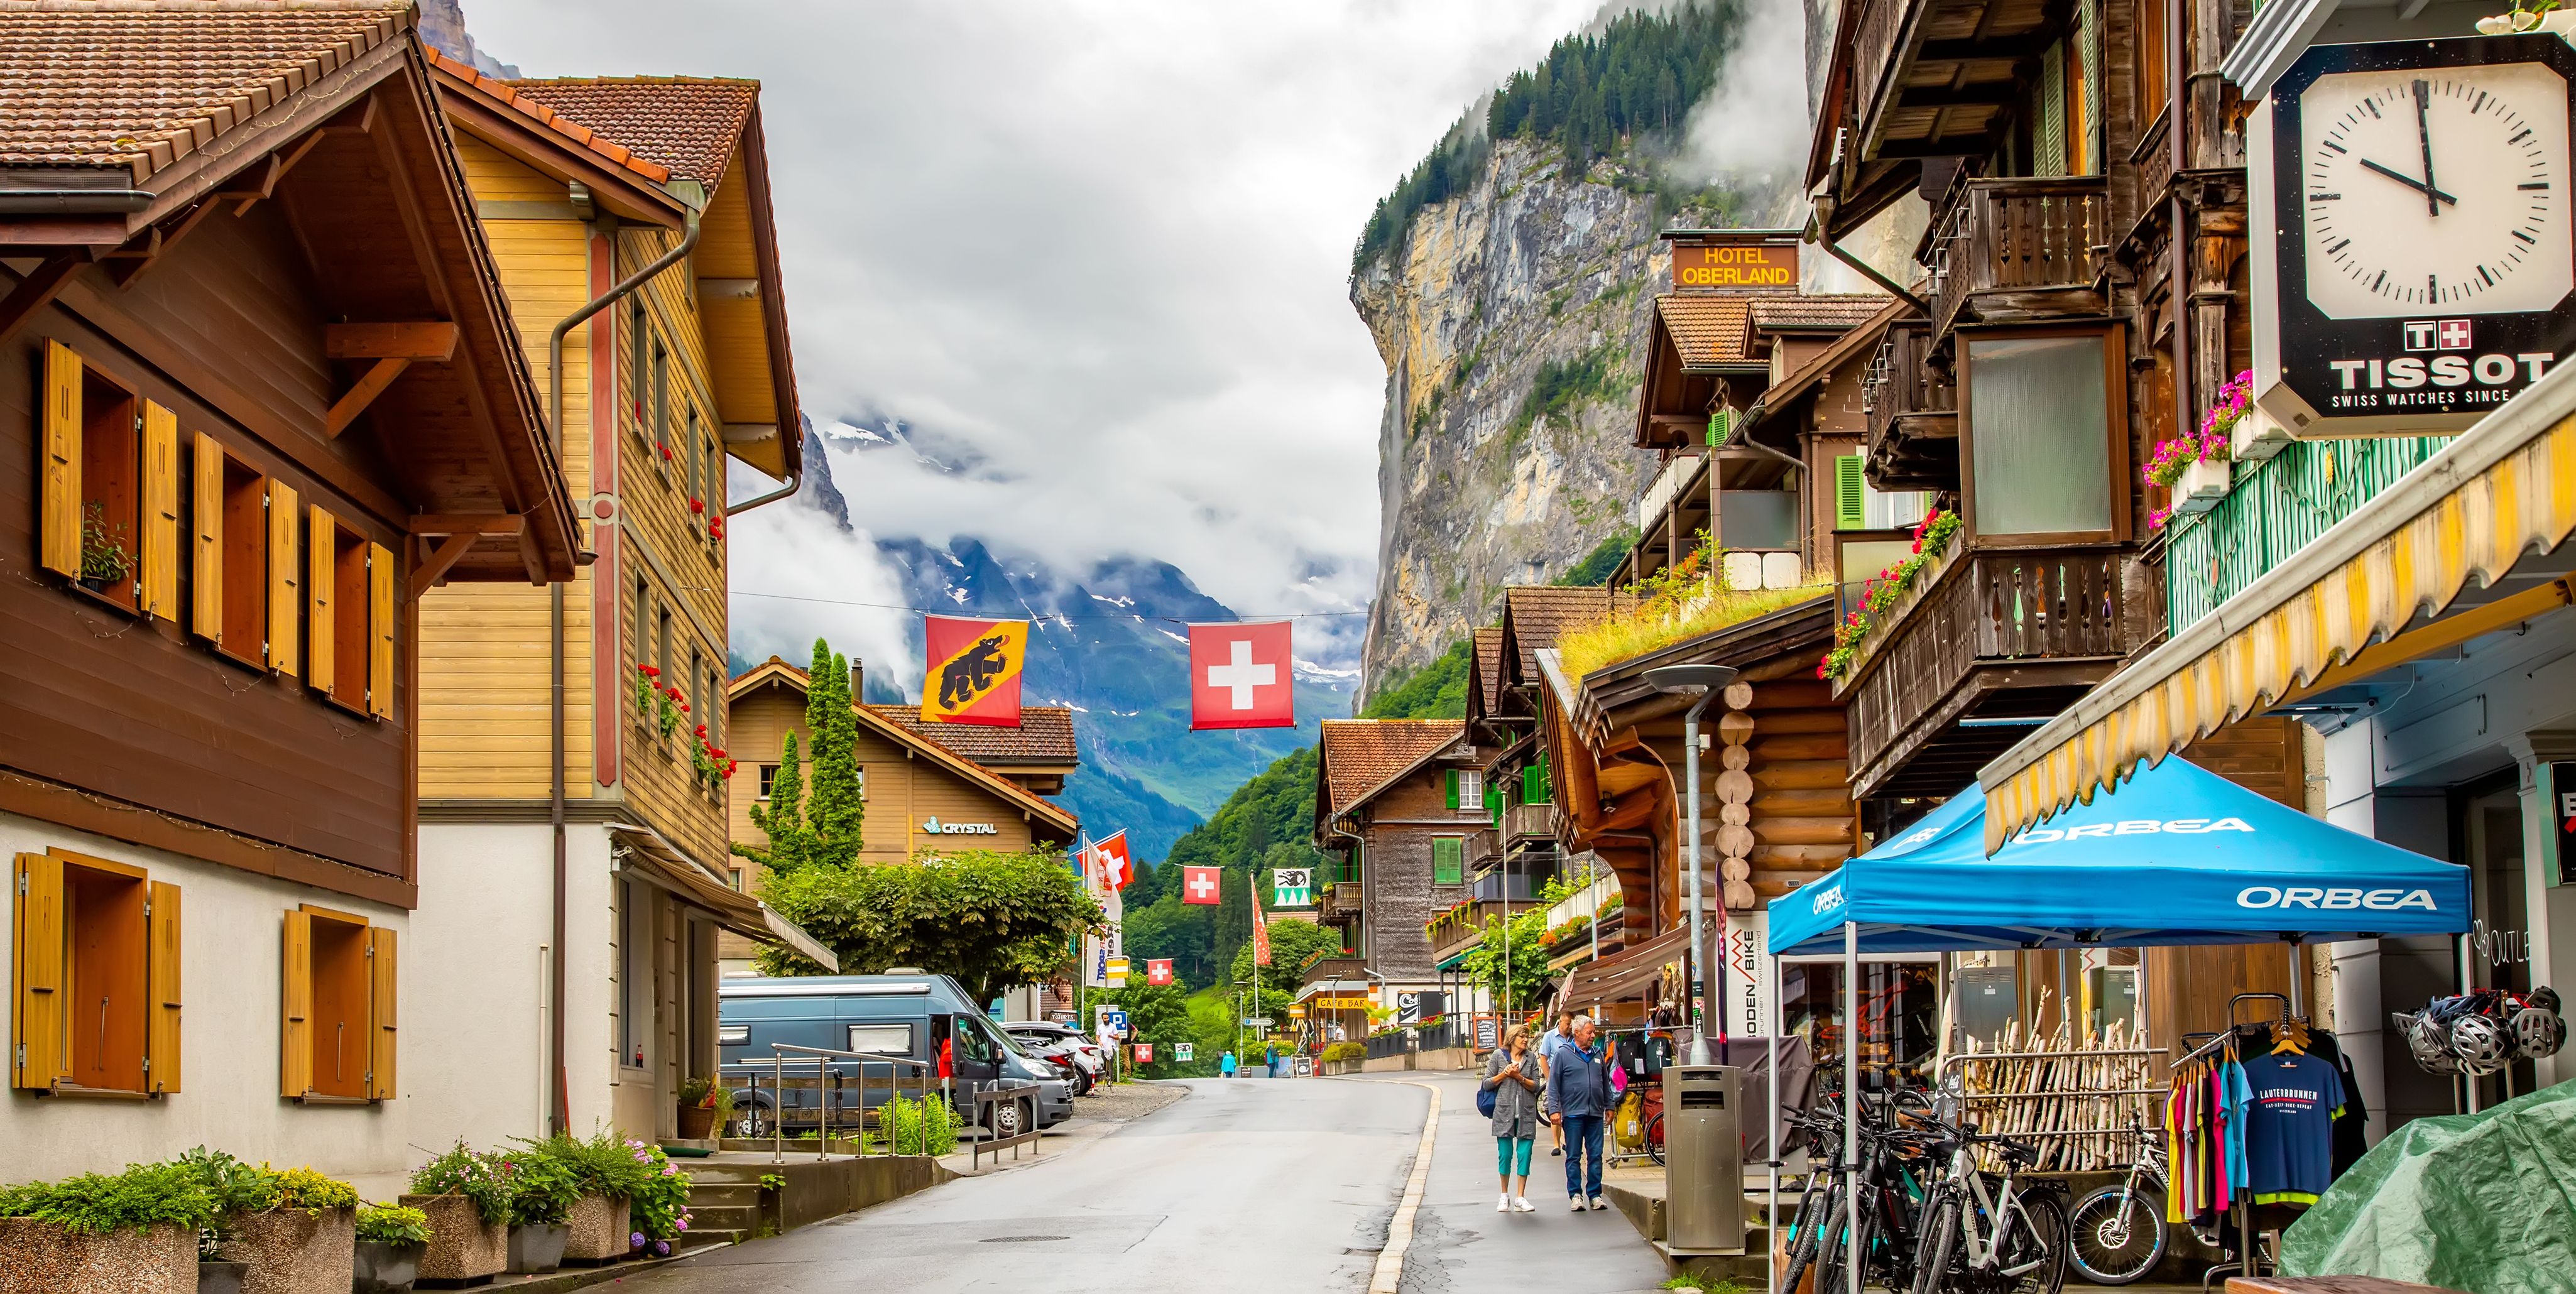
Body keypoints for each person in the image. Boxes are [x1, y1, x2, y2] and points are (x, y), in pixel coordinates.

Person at [1547, 1014, 1613, 1211]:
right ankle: (1576, 1195)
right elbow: (1553, 1084)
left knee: (1596, 1155)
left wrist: (1610, 1105)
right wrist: (1554, 1110)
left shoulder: (1598, 1054)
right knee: (1574, 1156)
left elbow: (1605, 1083)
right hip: (1573, 1114)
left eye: (1593, 1032)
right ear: (1577, 1033)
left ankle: (1595, 1195)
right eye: (1589, 1032)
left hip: (1595, 1114)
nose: (1593, 1036)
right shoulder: (1563, 1054)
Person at [1483, 1025, 1544, 1213]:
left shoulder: (1531, 1058)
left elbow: (1536, 1086)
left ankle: (1520, 1197)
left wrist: (1519, 1077)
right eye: (1521, 1036)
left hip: (1526, 1113)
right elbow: (1487, 1084)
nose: (1525, 1040)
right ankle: (1504, 1195)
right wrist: (1504, 1074)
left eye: (1527, 1036)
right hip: (1504, 1113)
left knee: (1525, 1154)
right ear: (1512, 1038)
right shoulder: (1498, 1056)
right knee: (1505, 1154)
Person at [1537, 1009, 1575, 1155]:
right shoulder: (1550, 1036)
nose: (1570, 1027)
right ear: (1561, 1022)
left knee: (1569, 1111)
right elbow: (1543, 1058)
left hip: (1570, 1080)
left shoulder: (1573, 1037)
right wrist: (1549, 1078)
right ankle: (1556, 1144)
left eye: (1571, 1024)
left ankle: (1567, 1142)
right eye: (1568, 1024)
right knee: (1554, 1110)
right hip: (1555, 1078)